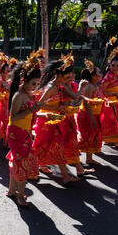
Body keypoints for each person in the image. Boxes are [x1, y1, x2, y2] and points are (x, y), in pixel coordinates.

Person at [32, 52, 81, 184]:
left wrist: (66, 104)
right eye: (67, 77)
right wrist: (57, 108)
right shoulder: (51, 88)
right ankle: (28, 169)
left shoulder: (58, 86)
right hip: (45, 122)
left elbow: (56, 103)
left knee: (57, 147)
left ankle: (64, 176)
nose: (68, 80)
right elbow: (39, 106)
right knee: (38, 147)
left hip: (54, 120)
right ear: (59, 75)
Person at [6, 56, 43, 206]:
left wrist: (36, 110)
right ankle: (20, 195)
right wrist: (32, 110)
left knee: (18, 161)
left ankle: (11, 190)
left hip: (25, 132)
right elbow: (13, 118)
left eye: (38, 84)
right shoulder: (18, 96)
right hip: (16, 132)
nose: (35, 86)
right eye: (33, 83)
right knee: (22, 162)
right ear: (24, 81)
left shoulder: (28, 95)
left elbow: (29, 112)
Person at [77, 59, 104, 165]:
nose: (101, 74)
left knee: (92, 136)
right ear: (93, 76)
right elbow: (86, 103)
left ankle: (89, 158)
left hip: (94, 114)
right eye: (99, 73)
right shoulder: (89, 86)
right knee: (87, 136)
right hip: (87, 115)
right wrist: (92, 118)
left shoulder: (95, 86)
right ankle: (71, 156)